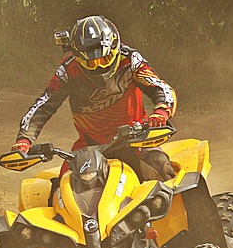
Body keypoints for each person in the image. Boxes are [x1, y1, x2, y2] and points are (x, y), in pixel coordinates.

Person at [12, 15, 178, 181]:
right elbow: (44, 105)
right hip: (90, 145)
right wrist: (24, 140)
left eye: (104, 59)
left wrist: (161, 112)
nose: (99, 66)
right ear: (78, 57)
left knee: (163, 170)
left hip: (137, 139)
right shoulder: (68, 70)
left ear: (115, 48)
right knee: (61, 187)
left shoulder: (130, 60)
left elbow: (160, 87)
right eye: (91, 63)